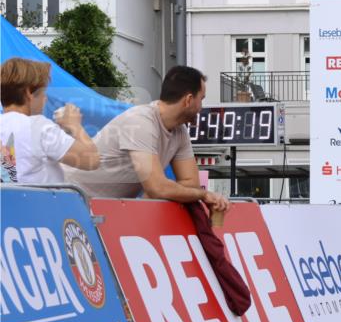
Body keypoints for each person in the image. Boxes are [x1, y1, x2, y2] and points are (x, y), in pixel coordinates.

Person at [65, 66, 230, 217]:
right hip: (68, 197)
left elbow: (191, 184)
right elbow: (158, 188)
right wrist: (203, 194)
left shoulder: (180, 131)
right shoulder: (140, 121)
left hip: (97, 208)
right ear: (188, 100)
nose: (202, 106)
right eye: (201, 99)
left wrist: (165, 189)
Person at [1, 57, 100, 183]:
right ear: (29, 93)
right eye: (43, 92)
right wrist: (75, 125)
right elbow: (92, 160)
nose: (45, 98)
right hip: (40, 202)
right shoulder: (38, 126)